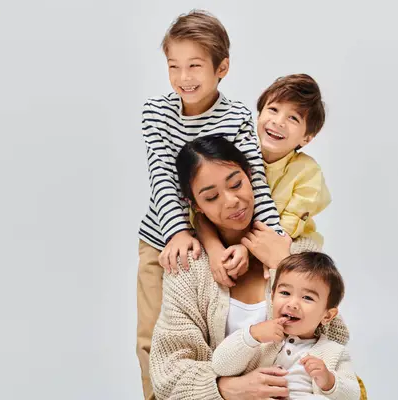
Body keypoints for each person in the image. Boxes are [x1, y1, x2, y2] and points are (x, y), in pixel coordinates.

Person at [136, 10, 281, 399]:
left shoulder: (236, 117)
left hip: (229, 232)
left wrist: (273, 242)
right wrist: (180, 232)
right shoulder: (157, 112)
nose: (184, 77)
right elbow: (163, 178)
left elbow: (255, 184)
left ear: (222, 68)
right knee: (154, 339)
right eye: (174, 66)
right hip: (166, 237)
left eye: (195, 66)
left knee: (220, 331)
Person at [148, 136, 351, 399]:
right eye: (211, 197)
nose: (231, 201)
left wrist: (283, 264)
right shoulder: (189, 268)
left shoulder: (297, 251)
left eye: (236, 184)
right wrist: (224, 388)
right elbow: (167, 373)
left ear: (250, 176)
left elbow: (335, 337)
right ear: (195, 204)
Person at [191, 73, 332, 293]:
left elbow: (282, 233)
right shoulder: (236, 156)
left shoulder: (307, 172)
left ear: (306, 138)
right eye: (273, 110)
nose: (278, 122)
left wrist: (246, 249)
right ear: (258, 115)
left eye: (293, 118)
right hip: (233, 243)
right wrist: (215, 248)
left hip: (285, 244)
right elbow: (200, 210)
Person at [212, 252, 361, 399]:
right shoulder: (260, 342)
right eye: (285, 293)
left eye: (307, 297)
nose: (292, 304)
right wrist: (251, 336)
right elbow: (220, 366)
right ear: (272, 297)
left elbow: (353, 395)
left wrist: (329, 381)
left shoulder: (334, 351)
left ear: (327, 316)